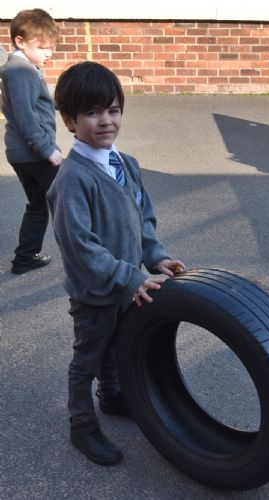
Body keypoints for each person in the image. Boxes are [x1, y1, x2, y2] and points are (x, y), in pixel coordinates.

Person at [47, 61, 185, 466]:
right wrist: (128, 276)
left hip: (129, 286)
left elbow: (143, 220)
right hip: (95, 292)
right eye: (92, 112)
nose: (106, 121)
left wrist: (156, 257)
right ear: (70, 121)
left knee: (119, 346)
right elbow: (79, 246)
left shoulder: (128, 165)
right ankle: (82, 425)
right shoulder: (72, 179)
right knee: (88, 358)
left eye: (113, 110)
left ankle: (111, 396)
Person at [1, 9, 63, 274]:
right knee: (68, 202)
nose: (49, 53)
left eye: (51, 47)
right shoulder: (20, 71)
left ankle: (26, 256)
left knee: (38, 205)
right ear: (20, 41)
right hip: (35, 154)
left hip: (23, 154)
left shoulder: (23, 67)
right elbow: (26, 118)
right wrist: (48, 150)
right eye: (43, 47)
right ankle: (89, 256)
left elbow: (38, 101)